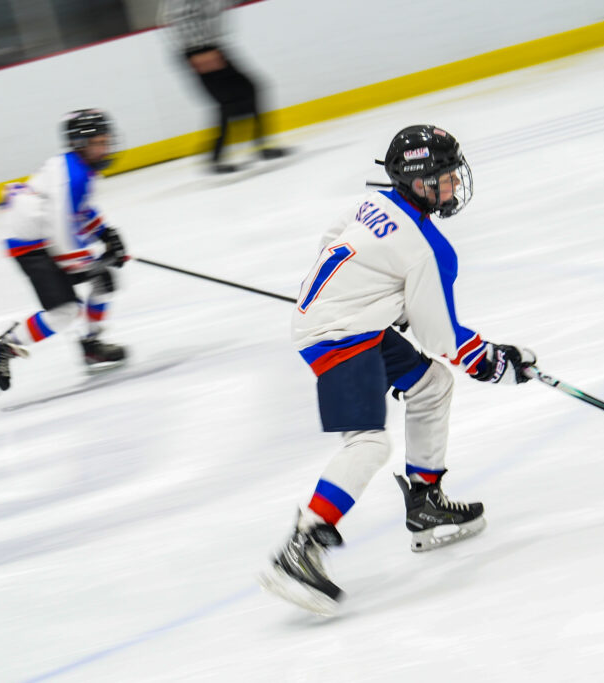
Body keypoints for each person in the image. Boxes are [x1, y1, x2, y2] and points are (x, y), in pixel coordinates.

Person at [259, 125, 537, 616]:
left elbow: (333, 240)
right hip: (337, 334)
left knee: (431, 384)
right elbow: (441, 337)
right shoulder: (428, 248)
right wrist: (496, 362)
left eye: (454, 175)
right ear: (417, 180)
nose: (453, 186)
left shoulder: (376, 204)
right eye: (444, 178)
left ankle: (426, 502)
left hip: (343, 319)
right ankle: (300, 548)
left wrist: (376, 294)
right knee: (368, 442)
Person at [0, 109, 129, 396]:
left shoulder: (78, 168)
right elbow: (61, 232)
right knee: (65, 311)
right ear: (81, 144)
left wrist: (105, 233)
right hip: (29, 242)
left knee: (102, 280)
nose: (105, 148)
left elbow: (78, 210)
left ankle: (91, 347)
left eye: (106, 141)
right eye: (99, 142)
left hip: (40, 234)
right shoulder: (72, 175)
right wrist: (90, 262)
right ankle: (1, 347)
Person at [158, 0, 286, 173]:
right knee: (227, 103)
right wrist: (194, 54)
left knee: (248, 91)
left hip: (211, 46)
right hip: (199, 50)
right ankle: (221, 158)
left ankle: (257, 147)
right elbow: (171, 20)